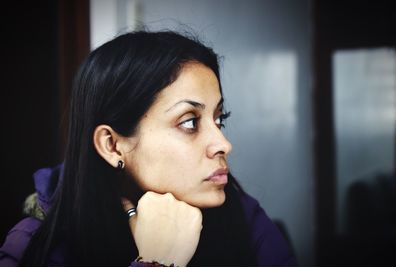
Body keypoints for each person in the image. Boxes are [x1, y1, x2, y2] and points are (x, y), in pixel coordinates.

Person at [0, 30, 297, 267]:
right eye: (190, 122)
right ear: (112, 145)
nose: (224, 144)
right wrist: (157, 262)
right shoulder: (32, 247)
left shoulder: (246, 221)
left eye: (220, 119)